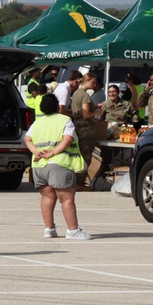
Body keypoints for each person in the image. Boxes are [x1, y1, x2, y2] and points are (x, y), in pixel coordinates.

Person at [23, 93, 91, 240]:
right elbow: (67, 139)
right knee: (66, 198)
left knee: (47, 197)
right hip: (59, 164)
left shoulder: (37, 122)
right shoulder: (65, 120)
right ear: (57, 106)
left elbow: (27, 139)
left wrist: (36, 152)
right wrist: (53, 152)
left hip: (39, 166)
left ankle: (49, 229)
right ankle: (73, 230)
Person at [69, 72, 99, 188]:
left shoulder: (76, 93)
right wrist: (96, 112)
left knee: (78, 153)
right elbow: (86, 114)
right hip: (85, 128)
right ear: (87, 81)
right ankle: (80, 181)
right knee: (85, 154)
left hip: (77, 125)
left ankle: (76, 179)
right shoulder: (85, 95)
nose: (95, 84)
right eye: (93, 82)